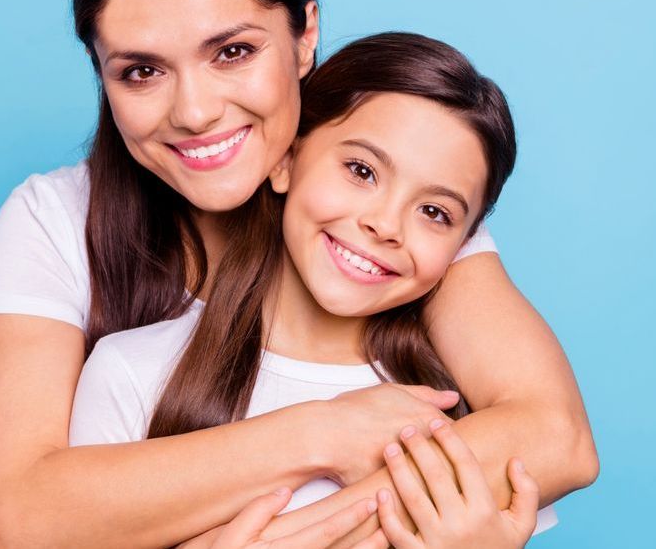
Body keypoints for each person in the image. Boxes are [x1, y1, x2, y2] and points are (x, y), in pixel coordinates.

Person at [0, 0, 598, 549]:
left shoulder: (377, 210)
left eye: (232, 51)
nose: (195, 111)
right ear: (101, 73)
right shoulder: (58, 222)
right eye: (142, 70)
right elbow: (21, 517)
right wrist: (322, 432)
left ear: (303, 34)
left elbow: (553, 434)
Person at [69, 32, 557, 548]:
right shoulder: (131, 372)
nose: (386, 225)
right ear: (285, 160)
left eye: (434, 213)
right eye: (361, 170)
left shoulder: (469, 423)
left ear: (464, 242)